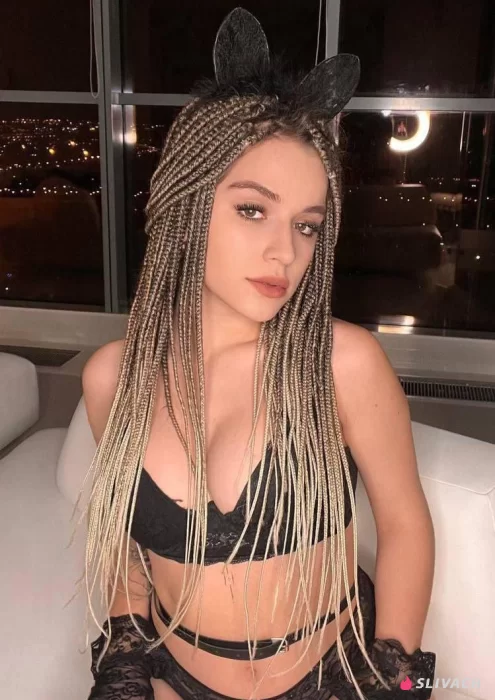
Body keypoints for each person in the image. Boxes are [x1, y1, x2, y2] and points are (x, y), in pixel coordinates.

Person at [78, 8, 436, 700]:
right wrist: (126, 664)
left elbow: (404, 524)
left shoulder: (341, 364)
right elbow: (128, 547)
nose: (285, 252)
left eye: (307, 225)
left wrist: (398, 682)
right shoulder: (112, 378)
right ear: (185, 204)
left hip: (334, 674)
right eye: (252, 210)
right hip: (173, 675)